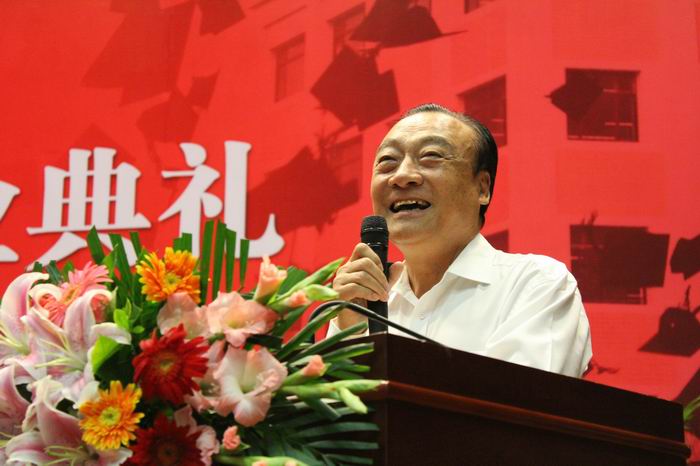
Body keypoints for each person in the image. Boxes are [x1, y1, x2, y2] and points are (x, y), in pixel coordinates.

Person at [327, 103, 592, 378]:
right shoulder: (360, 304)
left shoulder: (535, 284)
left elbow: (523, 398)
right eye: (387, 162)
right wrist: (349, 329)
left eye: (430, 156)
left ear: (482, 188)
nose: (402, 176)